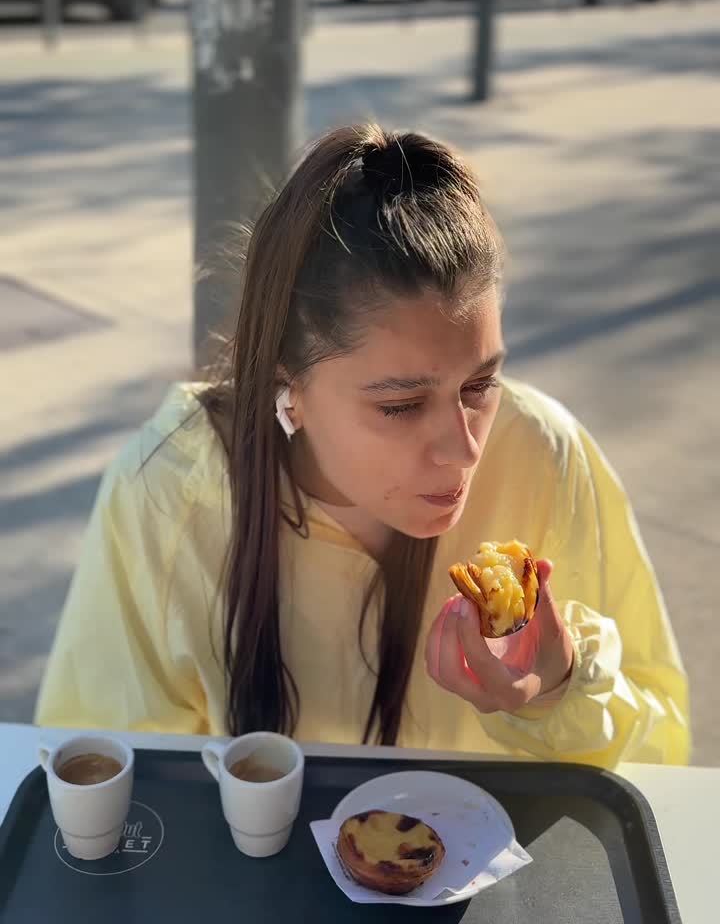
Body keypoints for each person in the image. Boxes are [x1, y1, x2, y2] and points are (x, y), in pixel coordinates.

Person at [35, 124, 690, 766]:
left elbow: (659, 751)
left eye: (480, 383)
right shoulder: (172, 488)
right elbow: (106, 765)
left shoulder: (546, 454)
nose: (464, 450)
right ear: (288, 385)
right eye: (400, 405)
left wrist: (558, 686)